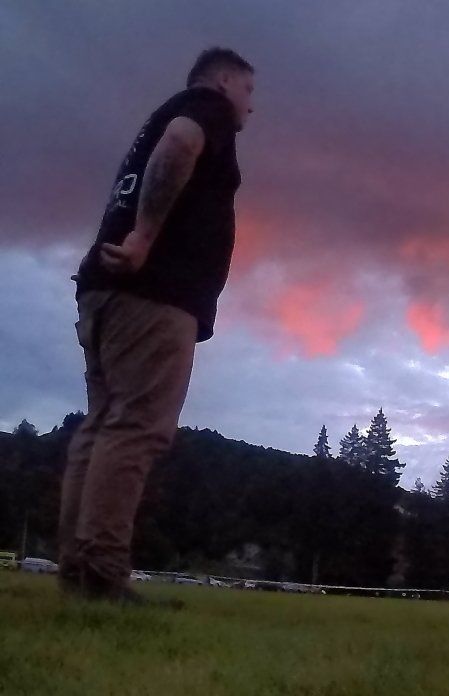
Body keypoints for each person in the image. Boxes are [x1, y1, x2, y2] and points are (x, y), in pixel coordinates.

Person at [59, 47, 255, 604]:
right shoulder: (204, 107)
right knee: (136, 427)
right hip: (153, 294)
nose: (251, 107)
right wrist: (145, 238)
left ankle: (78, 571)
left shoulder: (157, 119)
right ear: (222, 82)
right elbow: (182, 144)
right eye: (249, 91)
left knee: (102, 425)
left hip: (104, 291)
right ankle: (100, 574)